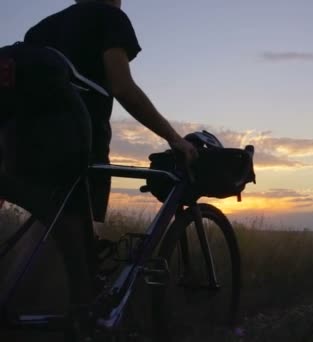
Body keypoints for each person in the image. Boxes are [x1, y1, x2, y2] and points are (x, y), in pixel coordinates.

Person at [0, 0, 199, 324]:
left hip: (22, 147)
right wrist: (173, 137)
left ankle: (22, 319)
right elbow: (122, 86)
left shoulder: (41, 28)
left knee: (46, 232)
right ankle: (73, 319)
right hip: (75, 146)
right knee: (75, 261)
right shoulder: (110, 17)